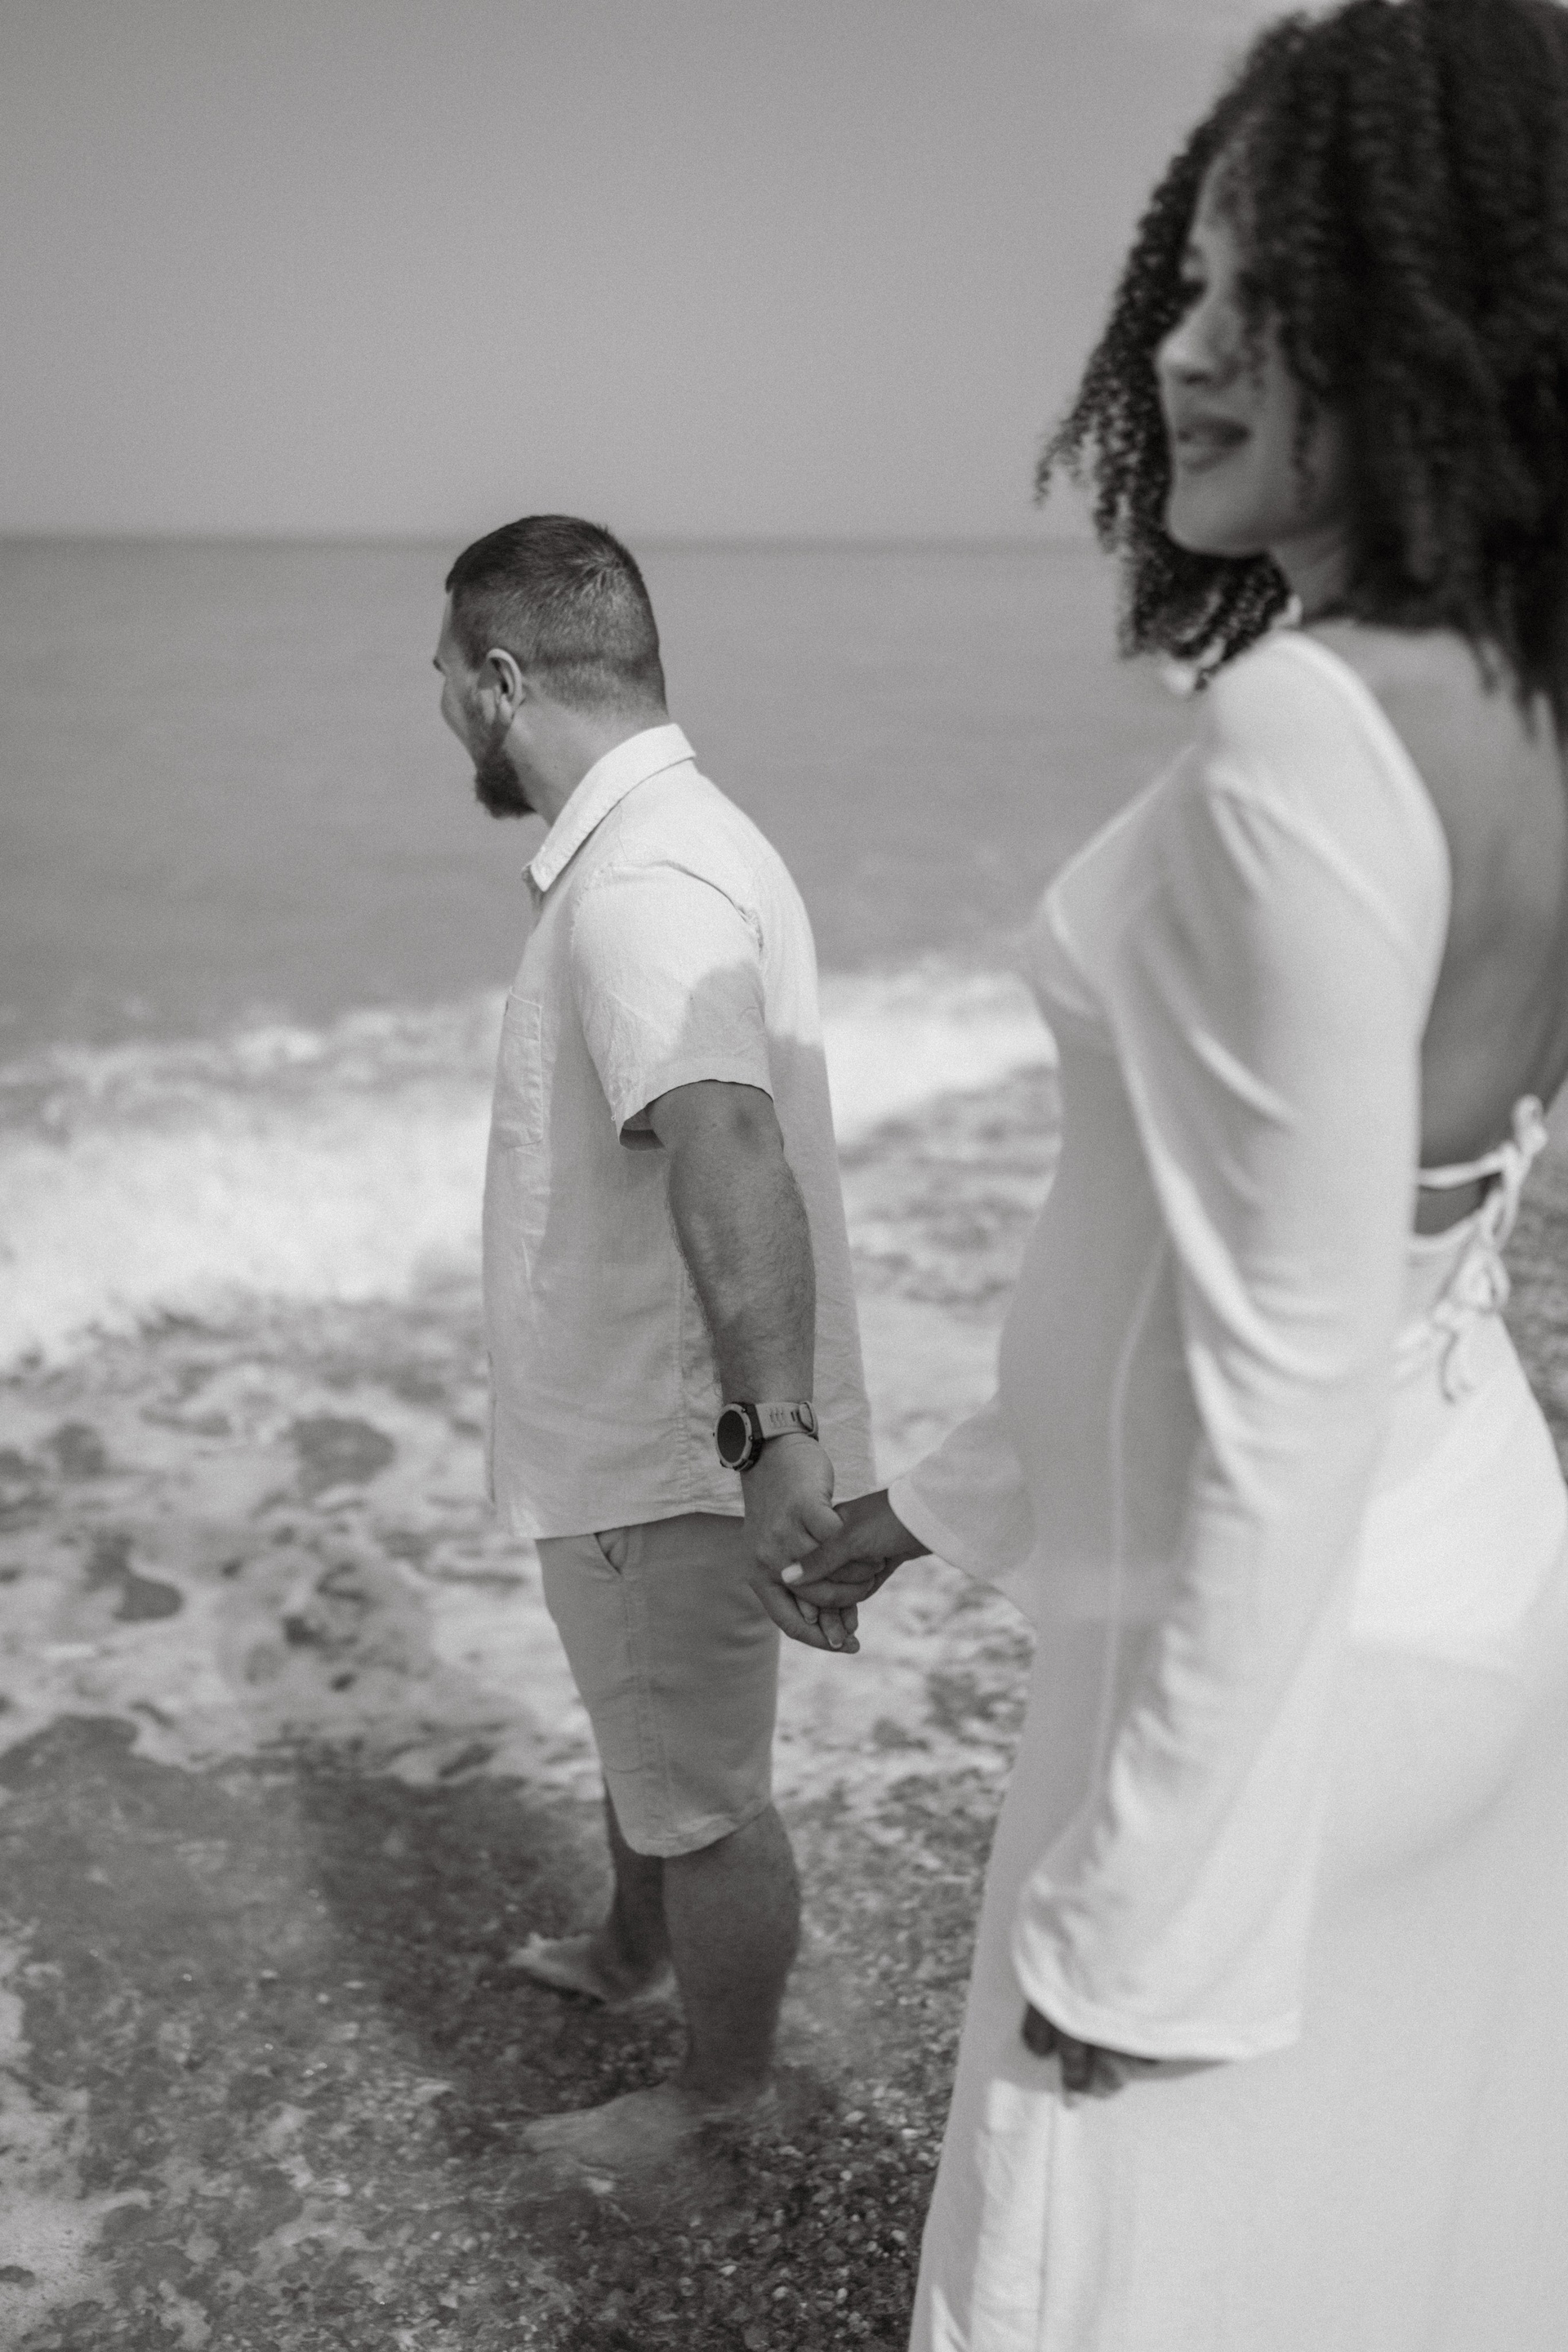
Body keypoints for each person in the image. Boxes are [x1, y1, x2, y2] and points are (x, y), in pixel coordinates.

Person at [791, 3, 1568, 2342]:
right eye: (1191, 285)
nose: (1183, 348)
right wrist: (939, 1508)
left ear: (1432, 310)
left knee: (1096, 2278)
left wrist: (1160, 1909)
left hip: (1271, 1683)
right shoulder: (1519, 695)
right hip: (1464, 1580)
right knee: (1374, 2255)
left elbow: (1281, 1362)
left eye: (1267, 295)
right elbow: (1329, 1243)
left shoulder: (1309, 729)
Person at [434, 514, 875, 2169]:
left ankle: (719, 2104)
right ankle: (633, 1953)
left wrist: (771, 1443)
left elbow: (727, 1144)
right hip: (652, 1426)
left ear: (501, 680)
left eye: (444, 678)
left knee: (707, 1802)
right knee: (648, 1732)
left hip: (674, 1439)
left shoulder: (643, 882)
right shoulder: (680, 839)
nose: (444, 712)